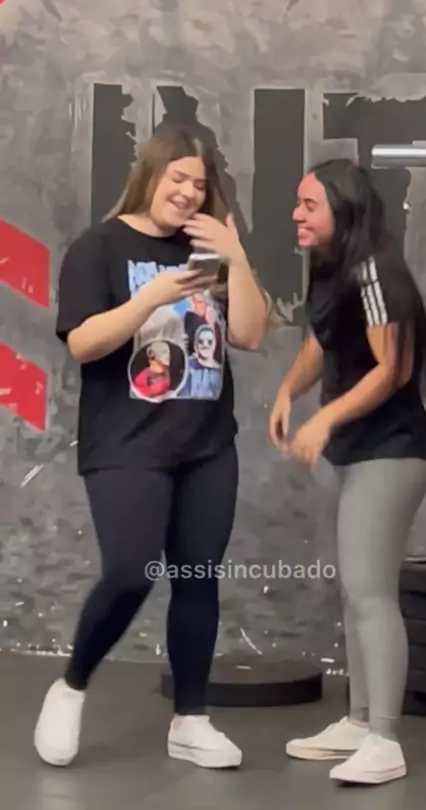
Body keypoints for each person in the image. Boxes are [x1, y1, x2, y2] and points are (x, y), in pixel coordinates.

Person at [34, 125, 270, 769]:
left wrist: (237, 257)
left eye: (200, 184)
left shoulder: (209, 250)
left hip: (207, 444)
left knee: (197, 576)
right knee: (131, 571)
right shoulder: (99, 247)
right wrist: (152, 298)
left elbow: (250, 334)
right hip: (127, 443)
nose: (188, 193)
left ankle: (191, 719)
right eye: (178, 179)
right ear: (151, 174)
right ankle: (71, 685)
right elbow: (84, 343)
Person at [269, 158, 426, 786]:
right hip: (356, 452)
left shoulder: (375, 271)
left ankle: (385, 739)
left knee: (371, 592)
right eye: (297, 202)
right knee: (354, 591)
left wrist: (325, 418)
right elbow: (321, 342)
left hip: (392, 452)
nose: (296, 214)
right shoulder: (333, 270)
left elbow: (392, 369)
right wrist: (287, 393)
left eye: (309, 205)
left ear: (343, 211)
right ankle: (359, 720)